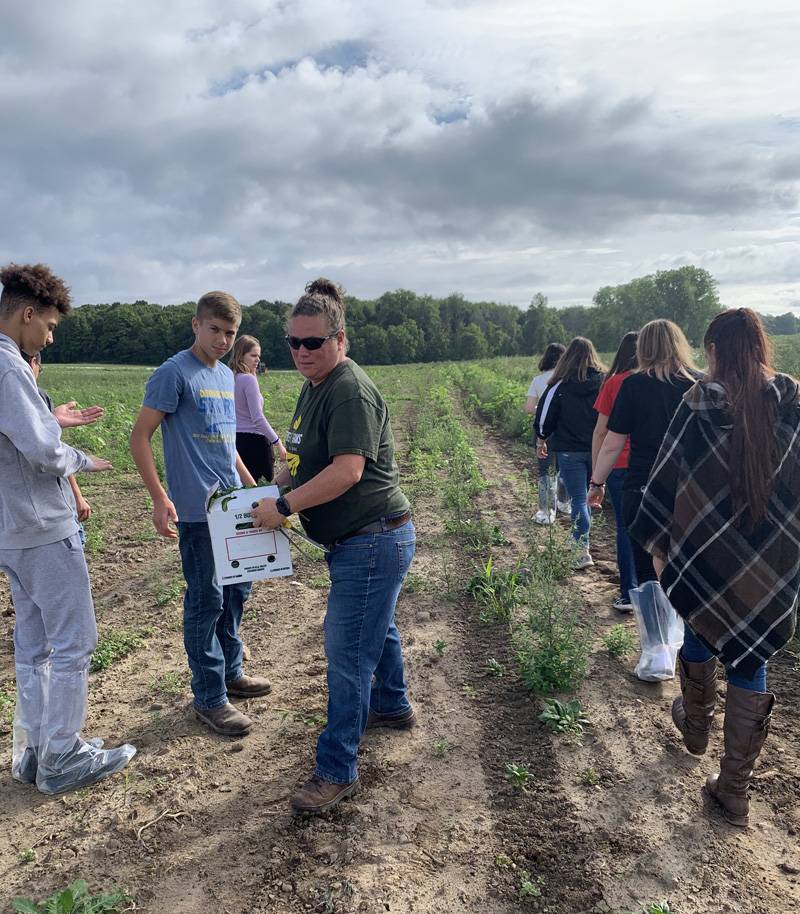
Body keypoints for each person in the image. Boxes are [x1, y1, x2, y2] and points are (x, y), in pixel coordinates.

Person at [251, 278, 415, 816]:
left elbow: (347, 471)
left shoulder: (347, 389)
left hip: (372, 539)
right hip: (363, 541)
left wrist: (287, 506)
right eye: (293, 343)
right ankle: (392, 705)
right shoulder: (314, 385)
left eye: (313, 343)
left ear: (339, 340)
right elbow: (303, 456)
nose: (302, 352)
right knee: (377, 626)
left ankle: (337, 769)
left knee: (347, 656)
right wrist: (273, 485)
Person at [630, 309, 798, 827]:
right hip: (773, 559)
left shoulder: (699, 402)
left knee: (698, 619)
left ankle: (696, 728)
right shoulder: (795, 402)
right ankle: (734, 790)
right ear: (761, 347)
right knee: (751, 657)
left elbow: (667, 479)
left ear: (717, 351)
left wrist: (661, 552)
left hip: (705, 553)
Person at [0, 262, 135, 793]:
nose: (50, 336)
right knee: (75, 639)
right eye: (50, 326)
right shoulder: (10, 367)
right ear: (27, 314)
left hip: (10, 529)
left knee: (33, 643)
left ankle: (32, 751)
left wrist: (54, 426)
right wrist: (82, 459)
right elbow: (39, 449)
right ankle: (62, 753)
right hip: (41, 526)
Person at [130, 291, 271, 739]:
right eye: (215, 330)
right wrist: (158, 497)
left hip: (231, 505)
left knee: (236, 594)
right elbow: (140, 437)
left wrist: (252, 489)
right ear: (196, 325)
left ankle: (232, 672)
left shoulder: (226, 377)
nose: (222, 340)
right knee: (205, 599)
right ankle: (209, 698)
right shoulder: (174, 374)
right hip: (195, 511)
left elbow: (229, 447)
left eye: (230, 333)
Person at [589, 320, 699, 660]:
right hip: (691, 492)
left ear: (644, 349)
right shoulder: (699, 384)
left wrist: (597, 483)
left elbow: (612, 443)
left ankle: (657, 653)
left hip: (643, 487)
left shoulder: (633, 385)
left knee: (647, 566)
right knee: (686, 566)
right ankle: (687, 647)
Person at [534, 337, 605, 568]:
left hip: (569, 451)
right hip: (598, 450)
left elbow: (544, 416)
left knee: (578, 499)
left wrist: (542, 438)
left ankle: (581, 549)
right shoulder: (604, 382)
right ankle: (581, 540)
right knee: (590, 496)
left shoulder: (560, 386)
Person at [591, 332, 639, 611]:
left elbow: (601, 431)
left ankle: (629, 591)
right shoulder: (658, 380)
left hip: (620, 464)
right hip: (655, 464)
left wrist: (598, 476)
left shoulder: (614, 383)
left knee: (625, 526)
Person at [23, 351, 93, 542]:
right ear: (34, 361)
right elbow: (54, 451)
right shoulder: (38, 397)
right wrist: (78, 497)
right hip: (51, 510)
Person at [230, 334, 287, 484]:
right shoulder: (248, 380)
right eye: (253, 355)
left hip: (235, 442)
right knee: (262, 493)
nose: (258, 360)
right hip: (255, 443)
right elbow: (258, 418)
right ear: (241, 355)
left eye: (258, 356)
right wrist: (278, 443)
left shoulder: (230, 377)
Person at [525, 342, 567, 524]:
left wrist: (544, 411)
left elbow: (528, 408)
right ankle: (565, 503)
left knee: (545, 470)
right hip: (565, 431)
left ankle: (546, 512)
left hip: (543, 430)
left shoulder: (538, 380)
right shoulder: (568, 379)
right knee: (564, 468)